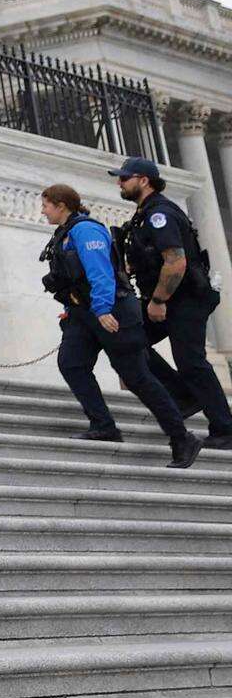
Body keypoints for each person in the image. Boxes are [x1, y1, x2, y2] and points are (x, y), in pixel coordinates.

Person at [41, 181, 200, 468]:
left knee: (137, 376)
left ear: (60, 205)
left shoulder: (85, 230)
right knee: (72, 363)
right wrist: (70, 309)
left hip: (112, 310)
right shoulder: (64, 234)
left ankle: (182, 437)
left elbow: (100, 273)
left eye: (46, 205)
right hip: (83, 314)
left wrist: (102, 309)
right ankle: (103, 426)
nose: (43, 211)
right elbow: (72, 279)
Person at [113, 157, 231, 442]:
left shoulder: (159, 214)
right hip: (165, 298)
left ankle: (225, 428)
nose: (120, 182)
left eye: (125, 178)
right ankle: (182, 395)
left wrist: (158, 301)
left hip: (184, 299)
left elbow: (175, 263)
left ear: (144, 180)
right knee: (128, 342)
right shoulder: (143, 215)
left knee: (191, 362)